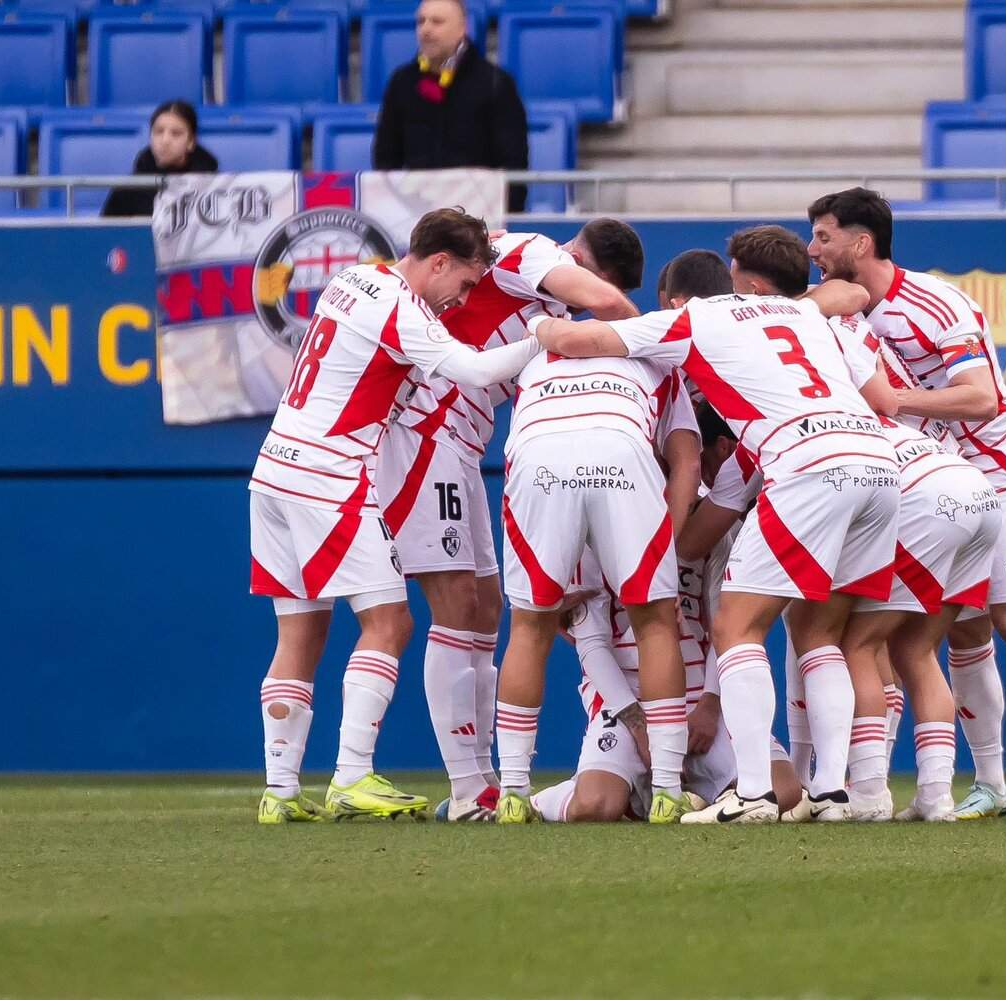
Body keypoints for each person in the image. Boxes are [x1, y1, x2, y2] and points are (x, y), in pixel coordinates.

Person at [527, 248, 899, 825]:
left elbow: (587, 341)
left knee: (735, 626)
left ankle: (750, 794)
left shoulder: (692, 320)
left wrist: (540, 324)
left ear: (676, 301)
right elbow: (852, 294)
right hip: (877, 461)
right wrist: (788, 308)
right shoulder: (794, 311)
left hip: (805, 458)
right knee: (822, 633)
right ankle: (839, 793)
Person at [807, 187, 1006, 820]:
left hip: (1004, 473)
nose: (814, 250)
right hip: (941, 483)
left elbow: (980, 398)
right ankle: (991, 783)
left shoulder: (935, 302)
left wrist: (895, 401)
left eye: (824, 237)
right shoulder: (841, 313)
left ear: (861, 243)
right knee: (963, 634)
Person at [250, 208, 543, 824]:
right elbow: (476, 369)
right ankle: (352, 774)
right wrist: (543, 337)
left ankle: (279, 792)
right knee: (390, 625)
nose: (462, 297)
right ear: (438, 261)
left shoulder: (351, 280)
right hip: (328, 478)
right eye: (463, 283)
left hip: (272, 471)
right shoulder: (400, 306)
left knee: (299, 633)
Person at [373, 220, 643, 822]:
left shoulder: (538, 302)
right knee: (454, 607)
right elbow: (605, 302)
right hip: (423, 431)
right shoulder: (531, 251)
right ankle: (470, 789)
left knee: (486, 608)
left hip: (461, 443)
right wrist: (643, 341)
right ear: (576, 259)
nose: (582, 309)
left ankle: (484, 782)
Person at [492, 295, 696, 825]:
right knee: (654, 622)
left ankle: (512, 791)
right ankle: (669, 790)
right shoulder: (657, 352)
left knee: (529, 627)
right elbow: (686, 458)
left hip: (539, 459)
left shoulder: (534, 357)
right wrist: (662, 546)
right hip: (620, 454)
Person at [373, 0, 530, 211]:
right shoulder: (402, 82)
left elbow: (513, 161)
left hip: (479, 216)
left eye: (437, 22)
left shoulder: (495, 82)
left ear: (461, 29)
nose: (425, 29)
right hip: (415, 213)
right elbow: (385, 157)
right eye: (421, 21)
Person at [101, 100, 217, 218]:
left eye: (176, 133)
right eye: (159, 132)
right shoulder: (127, 190)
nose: (165, 141)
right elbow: (105, 234)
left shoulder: (213, 187)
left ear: (191, 142)